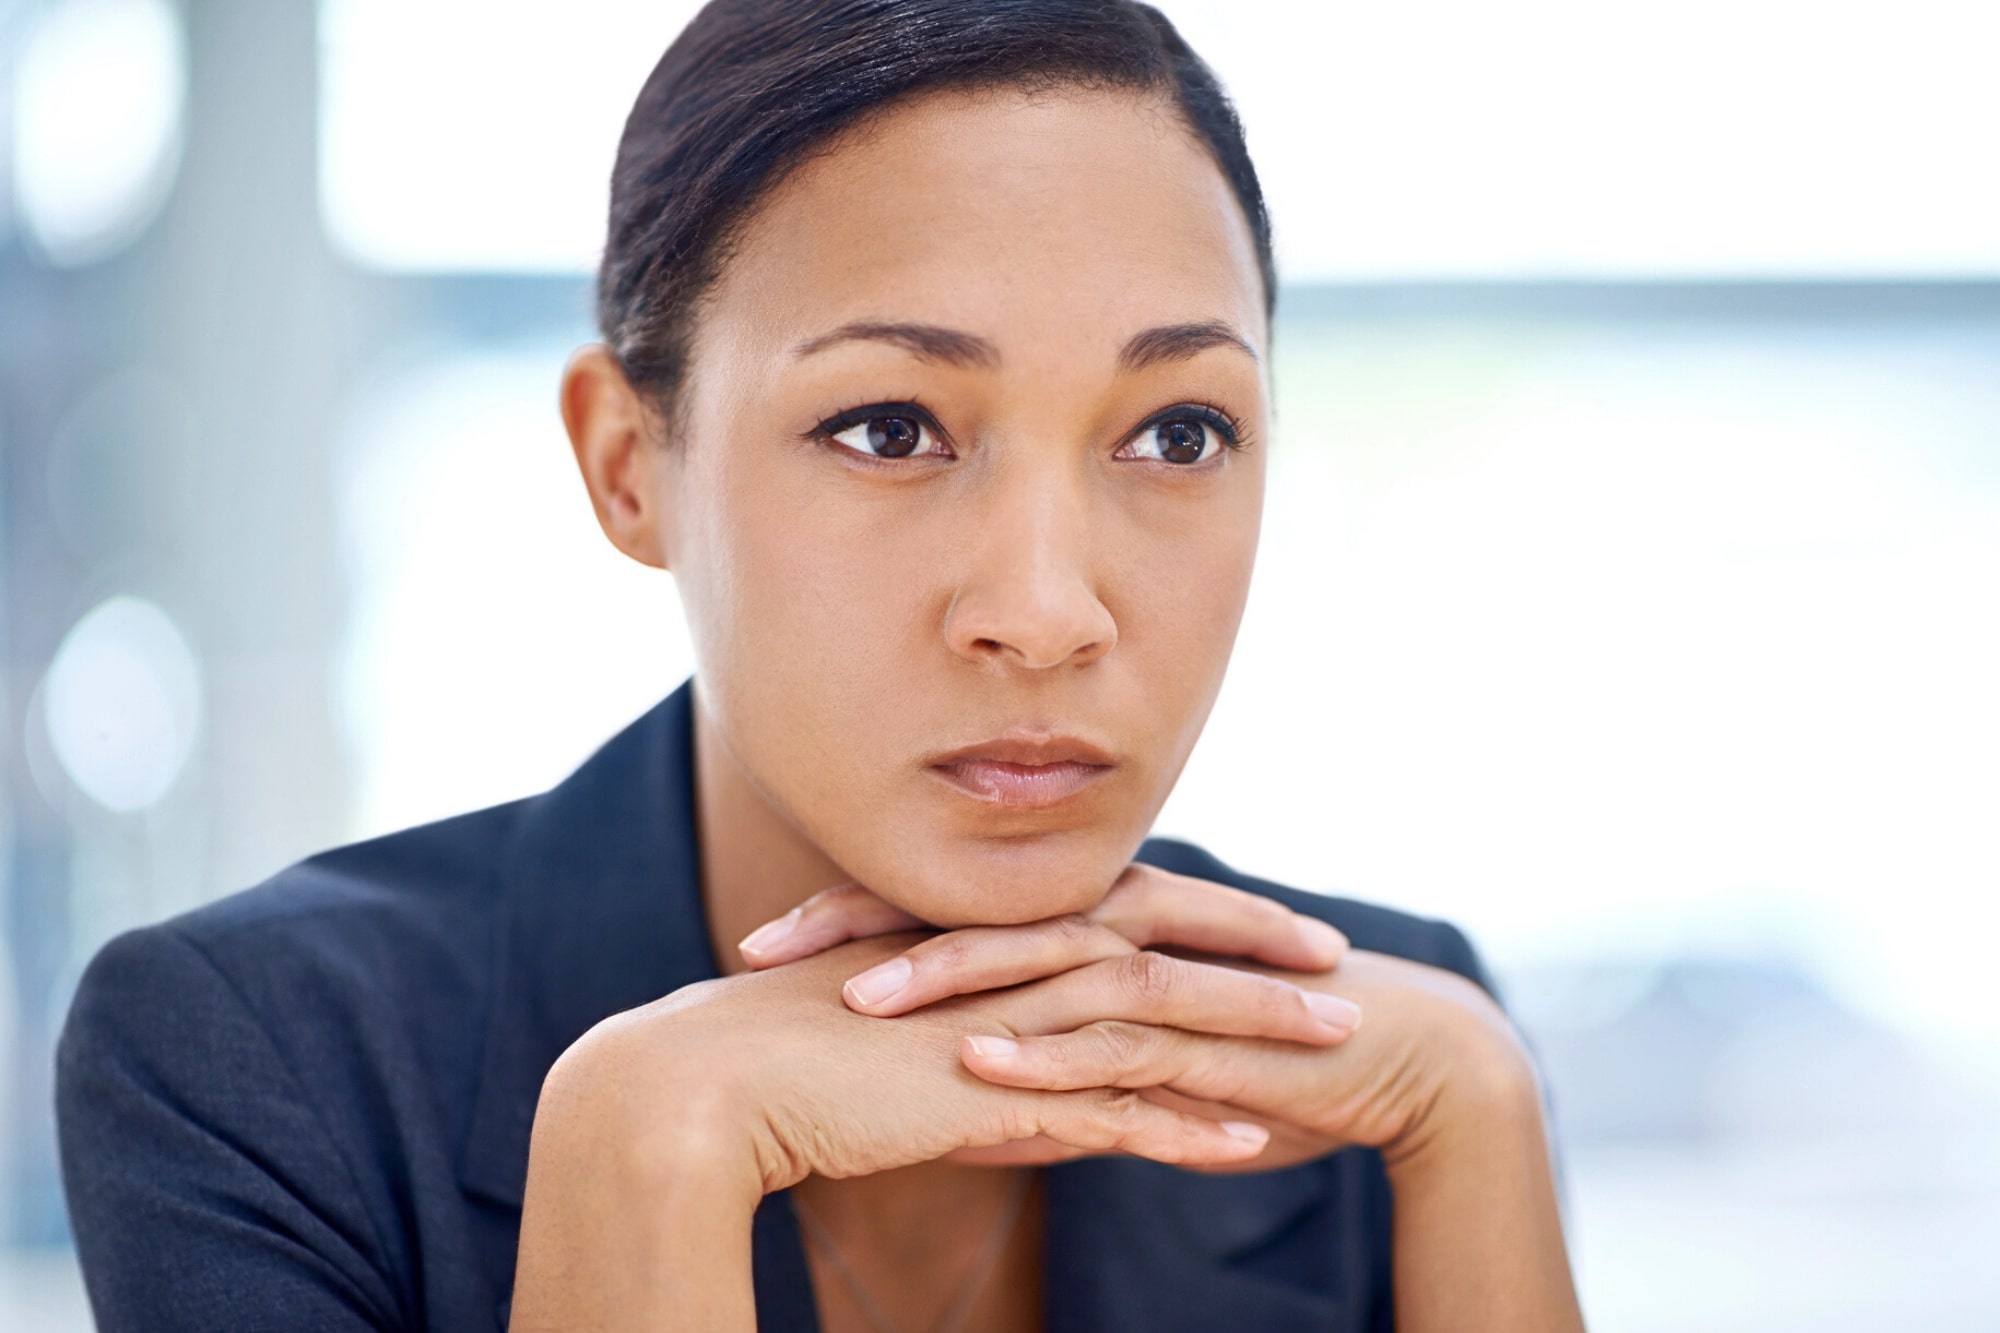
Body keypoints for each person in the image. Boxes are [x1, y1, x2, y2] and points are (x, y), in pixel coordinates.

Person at [54, 2, 1584, 1329]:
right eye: (890, 428)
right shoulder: (258, 1061)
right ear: (626, 465)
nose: (1047, 612)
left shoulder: (1398, 1050)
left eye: (1177, 432)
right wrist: (643, 1146)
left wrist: (1482, 1124)